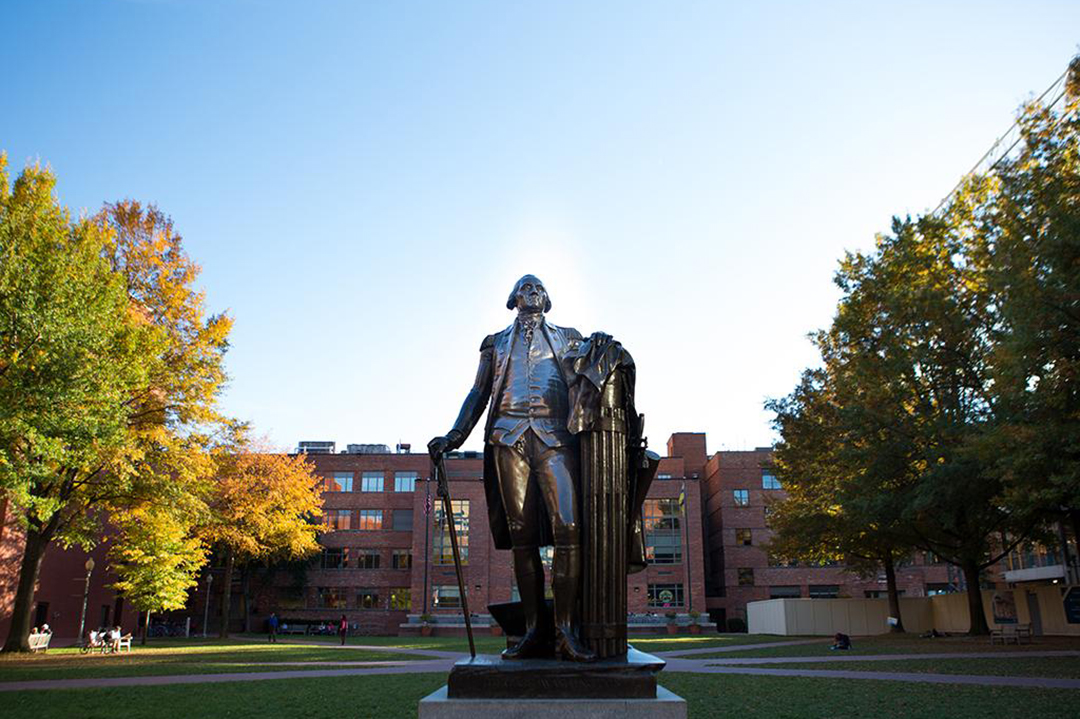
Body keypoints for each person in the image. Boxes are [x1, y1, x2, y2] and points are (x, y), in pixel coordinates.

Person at [429, 275, 601, 663]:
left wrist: (607, 348)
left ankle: (565, 630)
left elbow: (594, 377)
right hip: (508, 438)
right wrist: (454, 435)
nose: (533, 293)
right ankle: (533, 629)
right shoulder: (495, 342)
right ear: (513, 299)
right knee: (522, 534)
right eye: (526, 288)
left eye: (539, 288)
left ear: (548, 299)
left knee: (569, 527)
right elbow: (478, 392)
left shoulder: (570, 337)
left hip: (556, 438)